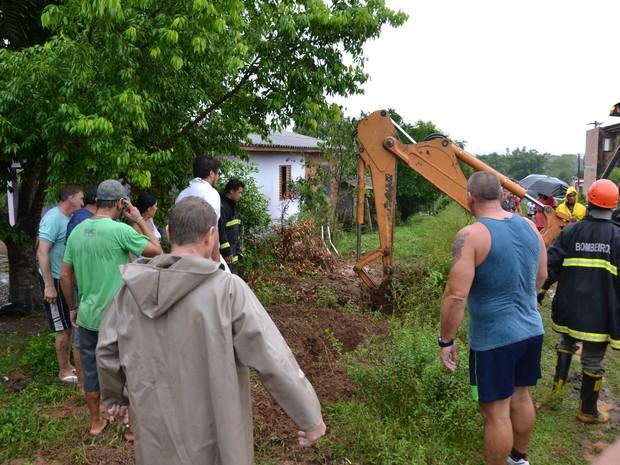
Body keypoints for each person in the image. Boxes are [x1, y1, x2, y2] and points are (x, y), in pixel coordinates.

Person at [96, 197, 326, 464]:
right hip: (215, 436)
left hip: (156, 433)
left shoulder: (130, 291)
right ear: (211, 235)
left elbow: (106, 351)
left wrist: (115, 399)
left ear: (168, 233)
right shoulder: (228, 290)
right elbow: (272, 357)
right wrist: (309, 417)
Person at [439, 171, 547, 465]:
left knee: (496, 414)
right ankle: (519, 459)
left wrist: (445, 340)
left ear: (469, 197)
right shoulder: (528, 225)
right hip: (531, 331)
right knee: (521, 397)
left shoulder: (471, 235)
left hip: (494, 341)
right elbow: (542, 277)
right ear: (502, 196)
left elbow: (456, 296)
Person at [60, 179, 163, 440]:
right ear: (120, 203)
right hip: (119, 317)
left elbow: (64, 276)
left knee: (91, 370)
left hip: (87, 315)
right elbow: (157, 251)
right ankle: (131, 428)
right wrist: (139, 219)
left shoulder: (77, 231)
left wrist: (73, 307)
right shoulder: (120, 231)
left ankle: (96, 422)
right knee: (128, 368)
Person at [538, 179, 620, 424]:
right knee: (593, 359)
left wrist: (540, 292)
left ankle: (557, 392)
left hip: (570, 305)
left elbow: (550, 266)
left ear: (590, 201)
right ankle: (587, 410)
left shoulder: (571, 231)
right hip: (601, 312)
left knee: (566, 341)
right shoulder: (618, 237)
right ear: (614, 206)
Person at [36, 183, 84, 387]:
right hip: (54, 279)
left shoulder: (70, 218)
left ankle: (68, 364)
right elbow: (41, 251)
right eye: (81, 198)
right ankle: (63, 370)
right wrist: (48, 285)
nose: (83, 202)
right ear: (71, 198)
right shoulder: (53, 218)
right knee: (62, 327)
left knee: (70, 322)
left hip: (63, 278)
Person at [176, 155, 223, 263]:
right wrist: (216, 260)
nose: (218, 177)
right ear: (212, 173)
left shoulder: (182, 194)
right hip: (203, 257)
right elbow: (213, 229)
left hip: (181, 257)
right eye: (218, 173)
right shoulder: (211, 193)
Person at [220, 178, 245, 274]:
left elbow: (234, 230)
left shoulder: (232, 206)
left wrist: (238, 249)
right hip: (225, 255)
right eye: (239, 192)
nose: (240, 195)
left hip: (232, 253)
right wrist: (226, 251)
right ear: (231, 191)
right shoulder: (223, 207)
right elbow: (221, 231)